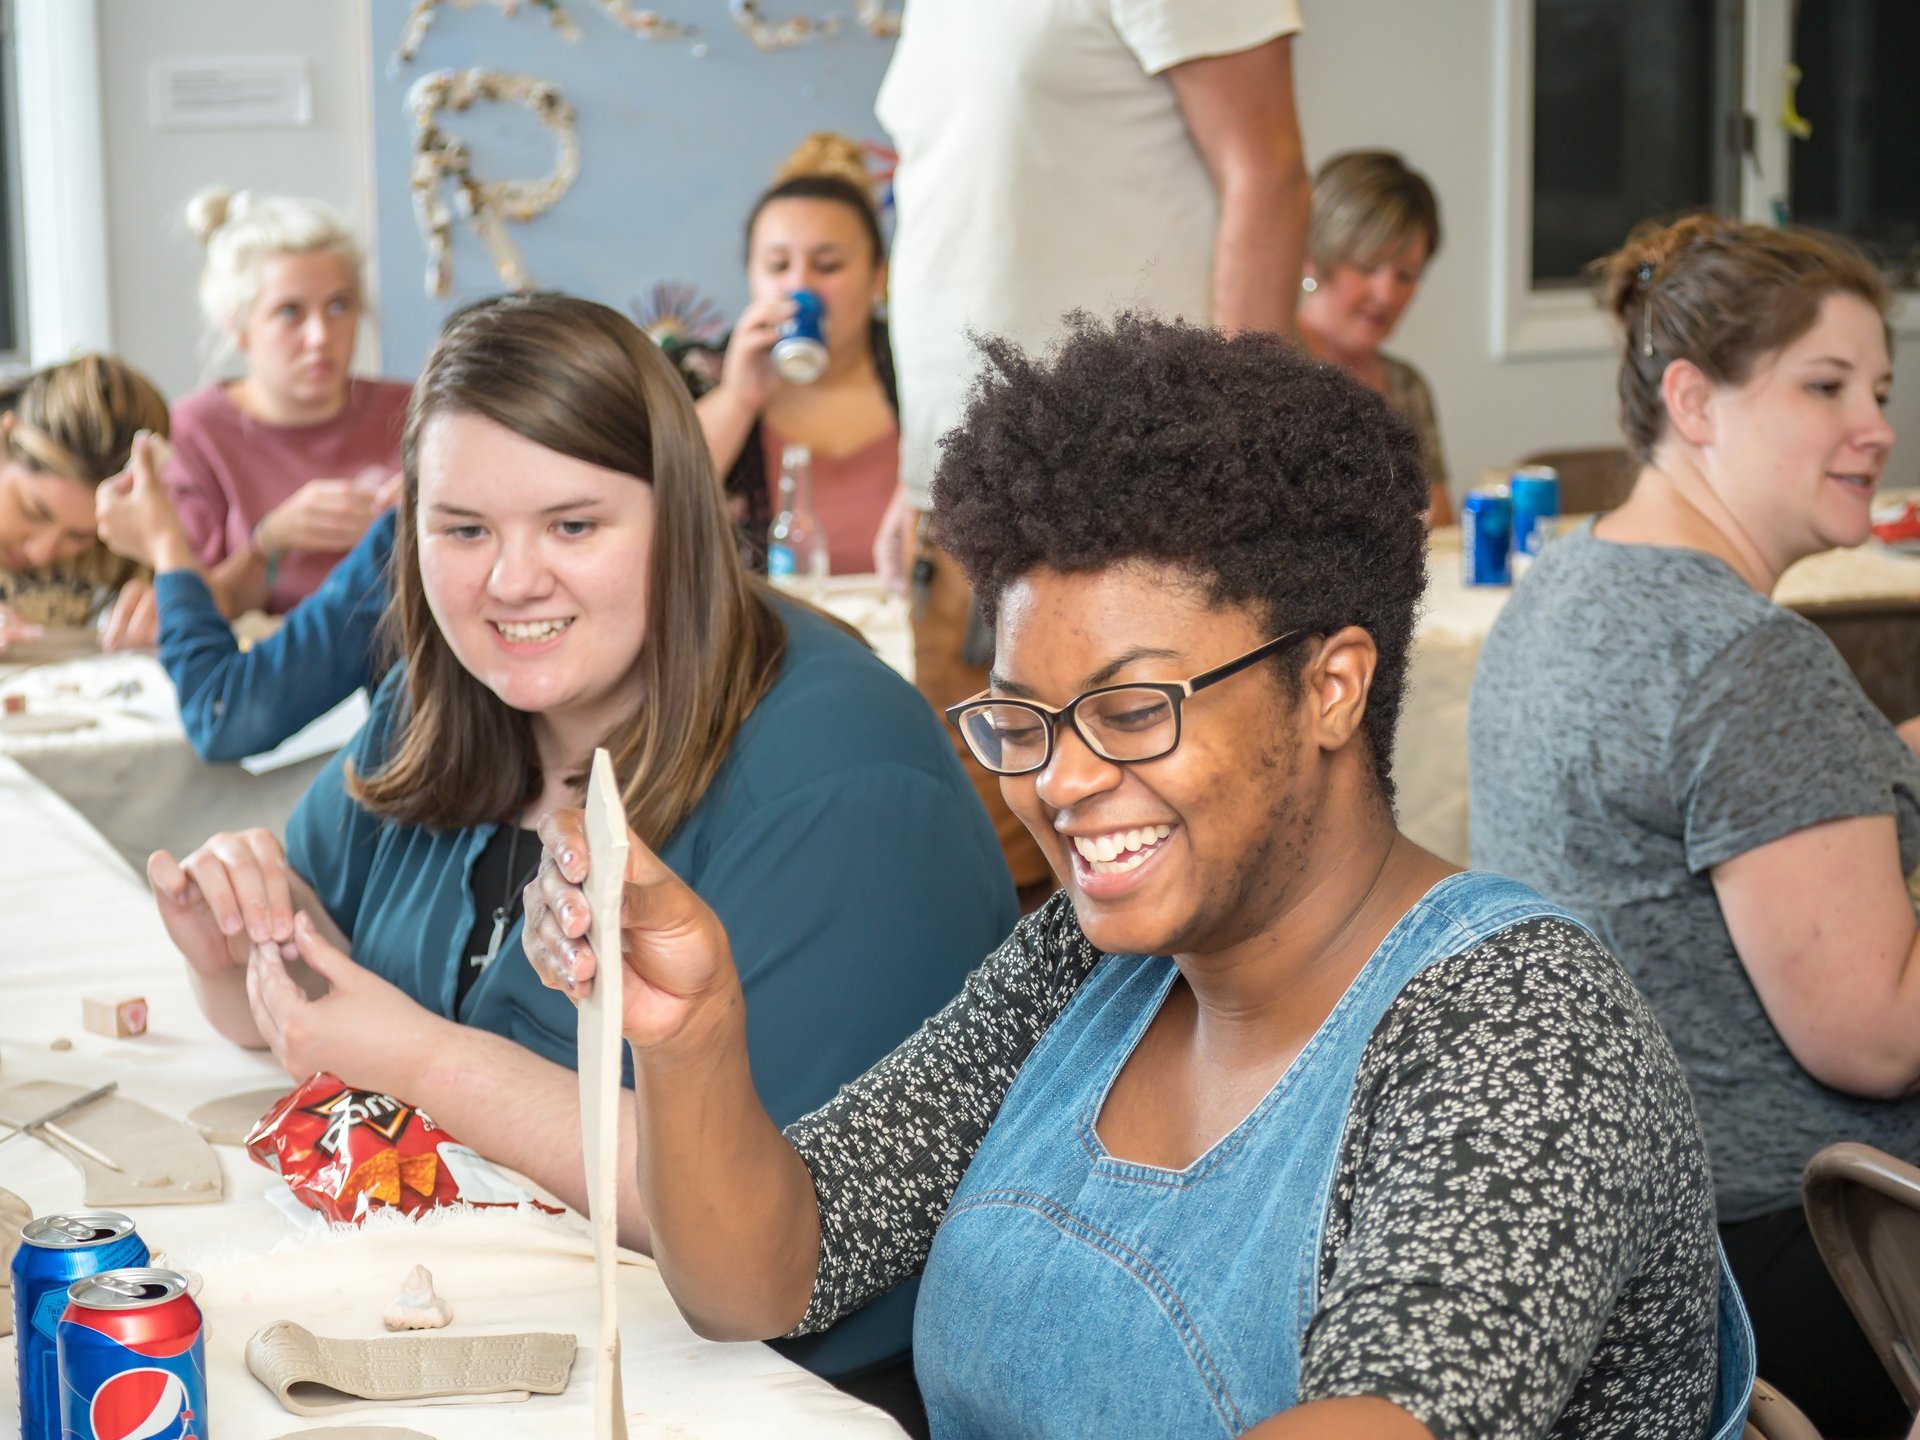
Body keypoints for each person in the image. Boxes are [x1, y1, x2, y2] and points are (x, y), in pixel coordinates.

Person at [525, 315, 1754, 1440]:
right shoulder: (1088, 965)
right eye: (1026, 720)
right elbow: (768, 1272)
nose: (1058, 782)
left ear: (1330, 686)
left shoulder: (1522, 1027)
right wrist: (690, 1034)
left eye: (1128, 710)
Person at [147, 294, 1015, 1400]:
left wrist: (414, 1058)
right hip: (470, 1334)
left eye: (573, 526)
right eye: (463, 530)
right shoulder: (441, 693)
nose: (511, 582)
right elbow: (310, 1013)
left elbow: (776, 1228)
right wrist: (245, 943)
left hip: (764, 1394)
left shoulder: (846, 777)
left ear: (680, 519)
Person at [1467, 214, 1918, 1437]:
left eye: (1878, 387)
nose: (1874, 425)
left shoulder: (1562, 582)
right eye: (1824, 386)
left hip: (1621, 1246)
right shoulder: (1750, 660)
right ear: (1693, 399)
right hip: (1821, 1253)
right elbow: (1876, 1036)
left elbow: (1737, 803)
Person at [870, 2, 1313, 902]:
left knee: (1147, 883)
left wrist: (1238, 453)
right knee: (986, 899)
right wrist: (913, 476)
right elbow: (972, 221)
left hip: (1129, 508)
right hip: (961, 506)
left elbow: (1267, 175)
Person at [165, 188, 409, 617]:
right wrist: (270, 541)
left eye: (338, 306)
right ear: (238, 327)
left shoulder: (411, 409)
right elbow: (192, 618)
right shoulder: (194, 431)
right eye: (290, 312)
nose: (320, 336)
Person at [678, 134, 897, 575]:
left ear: (878, 278)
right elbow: (655, 506)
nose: (800, 286)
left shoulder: (925, 373)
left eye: (828, 265)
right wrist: (739, 397)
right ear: (750, 276)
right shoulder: (697, 375)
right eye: (778, 266)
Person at [96, 447, 392, 762]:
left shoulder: (399, 537)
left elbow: (219, 712)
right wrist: (266, 543)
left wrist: (165, 545)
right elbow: (230, 599)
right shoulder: (199, 433)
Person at [1297, 150, 1452, 524]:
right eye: (1367, 267)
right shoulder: (1268, 369)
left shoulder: (1407, 388)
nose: (1386, 294)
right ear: (1314, 258)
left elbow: (1440, 526)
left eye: (1406, 275)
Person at [0, 355, 171, 653]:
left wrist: (172, 596)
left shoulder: (129, 553)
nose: (40, 552)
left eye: (81, 535)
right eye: (34, 512)